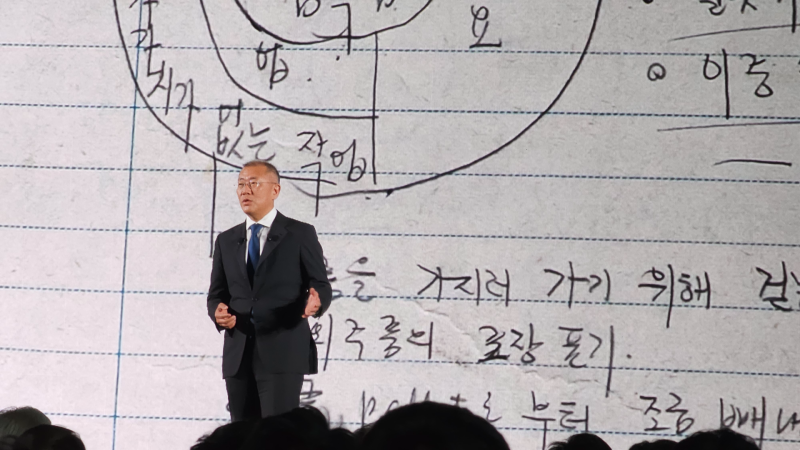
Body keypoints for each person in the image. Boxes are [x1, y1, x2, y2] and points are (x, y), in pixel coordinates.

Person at [207, 160, 332, 421]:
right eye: (241, 184)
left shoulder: (299, 233)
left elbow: (320, 284)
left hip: (283, 350)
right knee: (241, 435)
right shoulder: (226, 240)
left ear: (275, 190)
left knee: (277, 435)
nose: (245, 190)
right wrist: (217, 312)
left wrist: (316, 302)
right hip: (239, 353)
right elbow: (217, 293)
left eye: (254, 183)